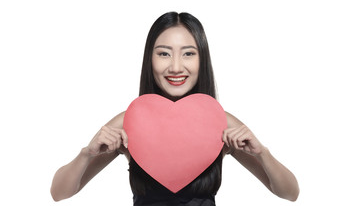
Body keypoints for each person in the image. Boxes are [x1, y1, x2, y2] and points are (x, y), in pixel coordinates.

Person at [50, 12, 299, 205]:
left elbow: (290, 193)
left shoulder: (220, 123)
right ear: (150, 59)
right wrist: (87, 154)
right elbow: (59, 193)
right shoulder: (131, 121)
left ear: (202, 59)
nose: (176, 67)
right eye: (164, 54)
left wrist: (262, 153)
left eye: (188, 53)